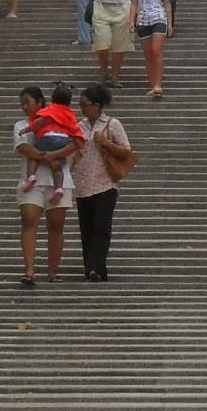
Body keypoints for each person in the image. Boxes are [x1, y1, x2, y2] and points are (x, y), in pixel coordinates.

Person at [70, 84, 133, 280]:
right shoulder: (79, 126)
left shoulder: (112, 124)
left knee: (100, 226)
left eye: (84, 105)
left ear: (97, 106)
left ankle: (98, 266)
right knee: (86, 227)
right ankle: (90, 268)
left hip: (105, 183)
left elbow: (127, 152)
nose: (81, 108)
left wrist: (106, 143)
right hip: (83, 183)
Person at [13, 86, 72, 285]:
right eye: (22, 103)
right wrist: (47, 156)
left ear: (40, 102)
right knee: (29, 219)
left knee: (56, 226)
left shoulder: (59, 119)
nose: (24, 107)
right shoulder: (21, 124)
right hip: (33, 180)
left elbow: (74, 142)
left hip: (58, 179)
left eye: (27, 102)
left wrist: (57, 156)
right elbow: (23, 147)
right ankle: (29, 270)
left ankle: (53, 271)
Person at [22, 84, 87, 205]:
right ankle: (58, 188)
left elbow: (40, 122)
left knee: (34, 155)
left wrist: (27, 129)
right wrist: (79, 143)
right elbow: (75, 130)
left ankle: (31, 176)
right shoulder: (70, 114)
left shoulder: (50, 110)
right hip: (63, 141)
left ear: (53, 98)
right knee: (57, 166)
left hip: (48, 137)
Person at [129, 0, 175, 98]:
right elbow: (134, 3)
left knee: (156, 50)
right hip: (143, 19)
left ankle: (158, 84)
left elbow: (167, 3)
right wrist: (131, 20)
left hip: (158, 17)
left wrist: (169, 22)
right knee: (148, 54)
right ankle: (153, 84)